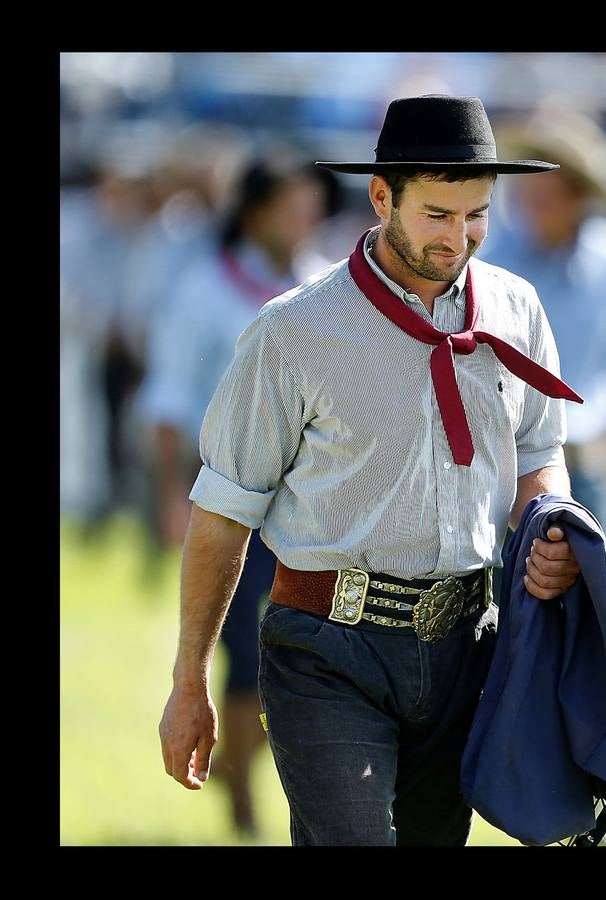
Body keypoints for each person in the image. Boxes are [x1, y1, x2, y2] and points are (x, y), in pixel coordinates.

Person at [158, 95, 586, 846]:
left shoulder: (518, 309)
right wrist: (189, 680)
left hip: (467, 647)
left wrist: (549, 527)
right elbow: (224, 512)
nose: (460, 238)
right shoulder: (293, 331)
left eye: (476, 215)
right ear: (380, 195)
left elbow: (538, 457)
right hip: (327, 646)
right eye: (436, 215)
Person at [140, 151, 336, 835]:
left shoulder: (323, 287)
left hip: (309, 508)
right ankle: (240, 780)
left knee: (302, 651)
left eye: (312, 205)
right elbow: (167, 401)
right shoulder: (203, 291)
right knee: (249, 653)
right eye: (292, 204)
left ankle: (256, 774)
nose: (305, 218)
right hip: (229, 503)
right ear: (255, 212)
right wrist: (172, 497)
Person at [482, 108, 606, 572]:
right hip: (507, 463)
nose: (532, 201)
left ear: (578, 195)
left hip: (590, 458)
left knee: (602, 613)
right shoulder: (491, 263)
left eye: (548, 189)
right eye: (527, 187)